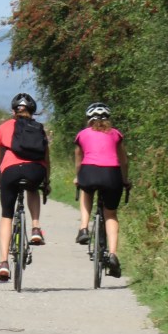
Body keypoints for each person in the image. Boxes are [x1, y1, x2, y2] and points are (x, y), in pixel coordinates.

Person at [0, 93, 51, 281]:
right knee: (32, 189)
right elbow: (46, 158)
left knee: (6, 216)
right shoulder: (39, 128)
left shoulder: (4, 127)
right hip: (35, 171)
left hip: (10, 171)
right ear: (33, 111)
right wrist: (46, 181)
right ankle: (35, 228)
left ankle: (3, 263)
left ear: (13, 111)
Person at [74, 102, 130, 279]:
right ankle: (113, 254)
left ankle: (83, 228)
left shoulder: (82, 134)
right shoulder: (116, 134)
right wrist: (125, 179)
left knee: (86, 190)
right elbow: (124, 161)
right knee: (111, 215)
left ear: (89, 120)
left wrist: (78, 177)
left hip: (89, 171)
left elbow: (78, 158)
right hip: (112, 174)